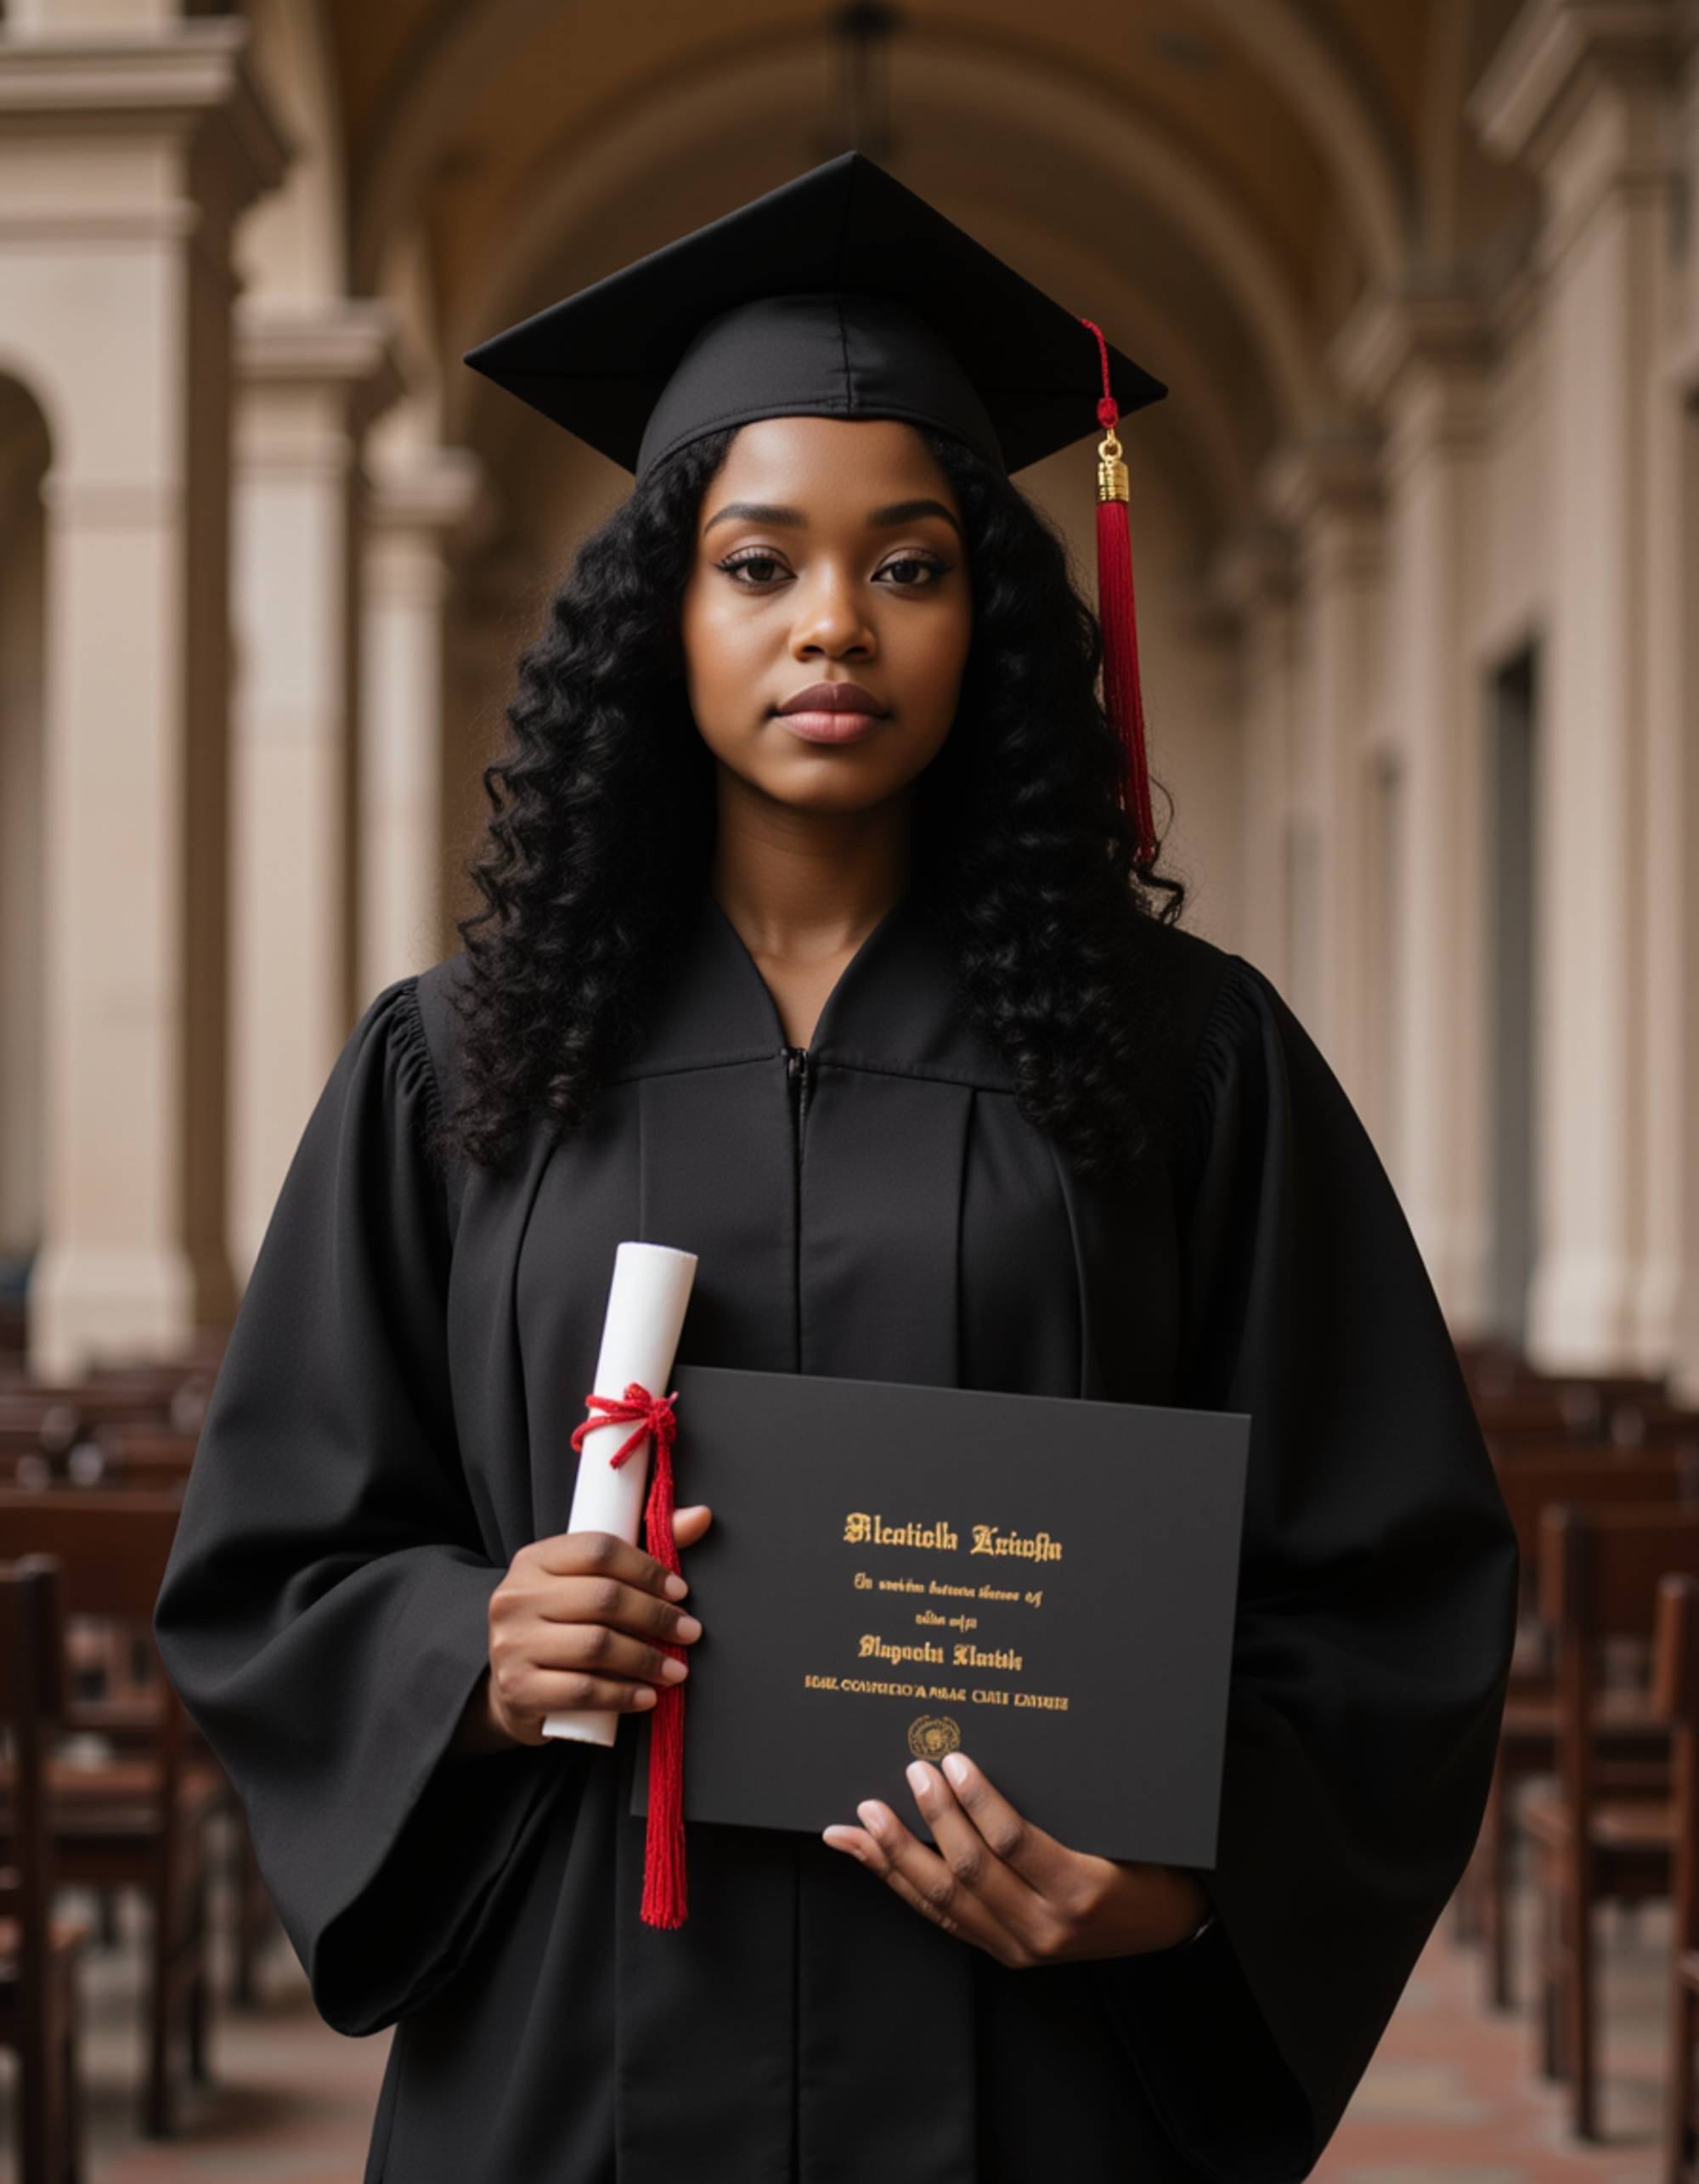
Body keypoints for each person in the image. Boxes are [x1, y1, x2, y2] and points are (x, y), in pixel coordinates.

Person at [154, 152, 1520, 2184]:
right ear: (661, 612)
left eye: (908, 564)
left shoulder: (1180, 1056)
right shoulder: (457, 1064)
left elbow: (1387, 1577)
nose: (832, 626)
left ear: (987, 614)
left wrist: (1176, 1884)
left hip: (1033, 2064)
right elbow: (276, 1560)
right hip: (575, 2043)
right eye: (759, 560)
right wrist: (472, 1653)